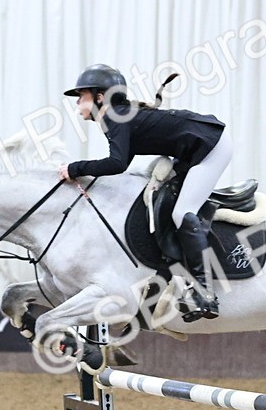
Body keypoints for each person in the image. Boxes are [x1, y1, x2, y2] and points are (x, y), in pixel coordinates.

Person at [59, 64, 231, 321]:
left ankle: (205, 292)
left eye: (80, 96)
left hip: (211, 146)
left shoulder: (114, 117)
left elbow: (117, 163)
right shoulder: (118, 115)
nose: (77, 104)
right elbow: (122, 161)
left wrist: (75, 168)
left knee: (183, 212)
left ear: (98, 97)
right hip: (192, 151)